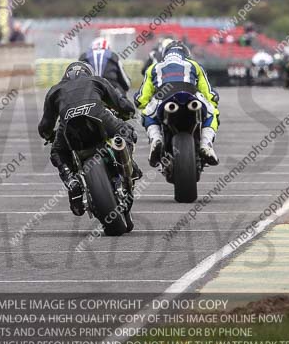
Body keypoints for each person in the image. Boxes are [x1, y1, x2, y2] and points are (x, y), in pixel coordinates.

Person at [38, 62, 142, 216]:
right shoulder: (96, 80)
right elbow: (121, 104)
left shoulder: (55, 90)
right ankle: (127, 164)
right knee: (126, 132)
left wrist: (49, 135)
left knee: (57, 152)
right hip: (99, 116)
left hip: (68, 125)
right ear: (88, 72)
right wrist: (127, 113)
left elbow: (45, 126)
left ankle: (71, 181)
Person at [135, 40, 220, 167]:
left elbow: (141, 99)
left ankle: (156, 139)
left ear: (165, 54)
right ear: (186, 54)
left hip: (162, 97)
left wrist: (139, 102)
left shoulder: (153, 68)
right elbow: (209, 93)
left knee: (146, 114)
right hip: (191, 95)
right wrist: (213, 102)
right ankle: (205, 144)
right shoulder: (194, 65)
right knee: (212, 113)